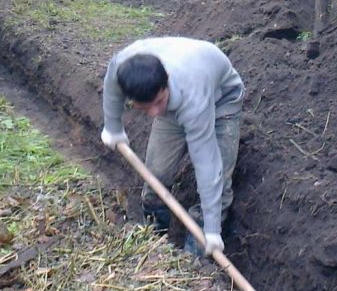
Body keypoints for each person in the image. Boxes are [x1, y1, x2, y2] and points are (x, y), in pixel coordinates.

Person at [100, 37, 244, 257]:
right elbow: (112, 82)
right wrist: (113, 127)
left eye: (158, 102)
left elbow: (206, 161)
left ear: (165, 82)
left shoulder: (194, 99)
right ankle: (153, 243)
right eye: (145, 108)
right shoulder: (124, 65)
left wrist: (212, 228)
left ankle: (193, 260)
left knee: (219, 181)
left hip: (222, 100)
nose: (155, 113)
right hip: (178, 93)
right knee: (156, 175)